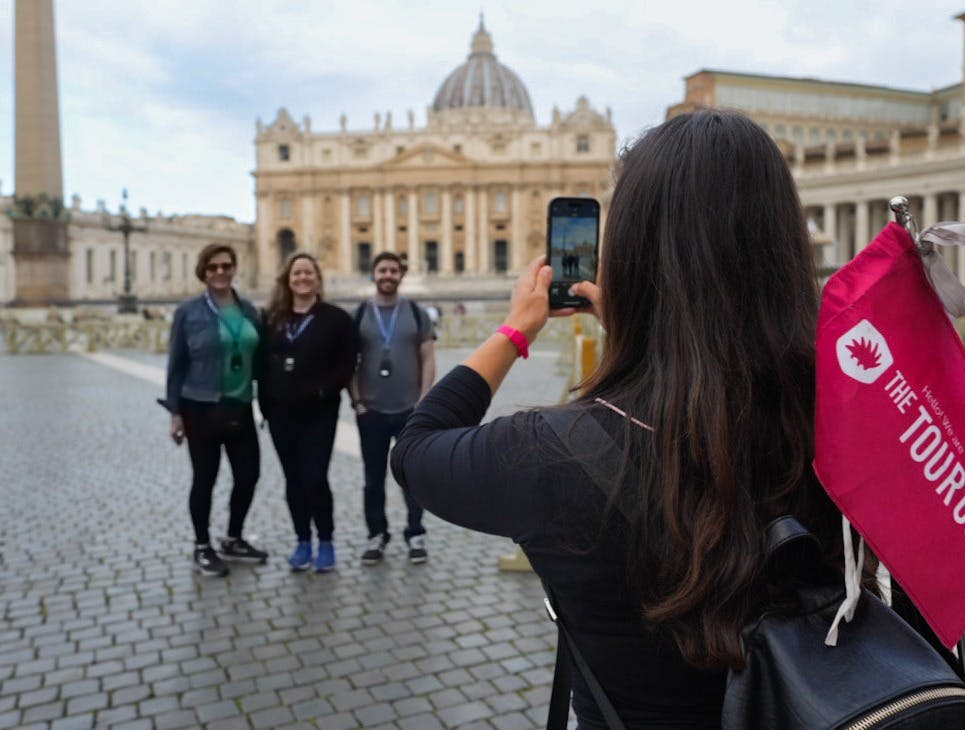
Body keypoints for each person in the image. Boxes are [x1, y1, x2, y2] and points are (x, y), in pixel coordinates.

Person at [391, 110, 844, 726]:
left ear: (630, 257)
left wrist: (514, 331)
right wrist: (650, 336)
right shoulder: (854, 419)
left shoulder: (554, 453)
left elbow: (416, 448)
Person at [162, 243, 268, 577]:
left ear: (234, 268)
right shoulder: (188, 312)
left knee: (248, 475)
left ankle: (233, 537)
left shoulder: (250, 310)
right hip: (200, 406)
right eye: (213, 267)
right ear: (203, 272)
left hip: (239, 405)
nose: (220, 272)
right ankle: (202, 545)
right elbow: (176, 365)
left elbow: (261, 359)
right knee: (204, 479)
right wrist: (175, 413)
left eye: (225, 266)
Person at [258, 253, 356, 573]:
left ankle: (325, 540)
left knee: (315, 477)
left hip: (319, 412)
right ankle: (302, 540)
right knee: (293, 479)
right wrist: (265, 404)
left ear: (317, 279)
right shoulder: (272, 319)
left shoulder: (337, 319)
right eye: (296, 273)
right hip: (280, 413)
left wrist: (323, 390)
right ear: (288, 280)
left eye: (308, 273)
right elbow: (261, 364)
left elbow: (347, 364)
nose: (302, 278)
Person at [350, 252, 436, 565]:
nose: (388, 275)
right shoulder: (359, 313)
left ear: (400, 274)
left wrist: (424, 400)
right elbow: (349, 361)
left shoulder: (415, 311)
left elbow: (427, 357)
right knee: (372, 478)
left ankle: (415, 532)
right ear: (374, 274)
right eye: (382, 270)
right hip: (371, 409)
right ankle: (377, 534)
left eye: (393, 270)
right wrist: (357, 401)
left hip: (409, 409)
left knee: (411, 475)